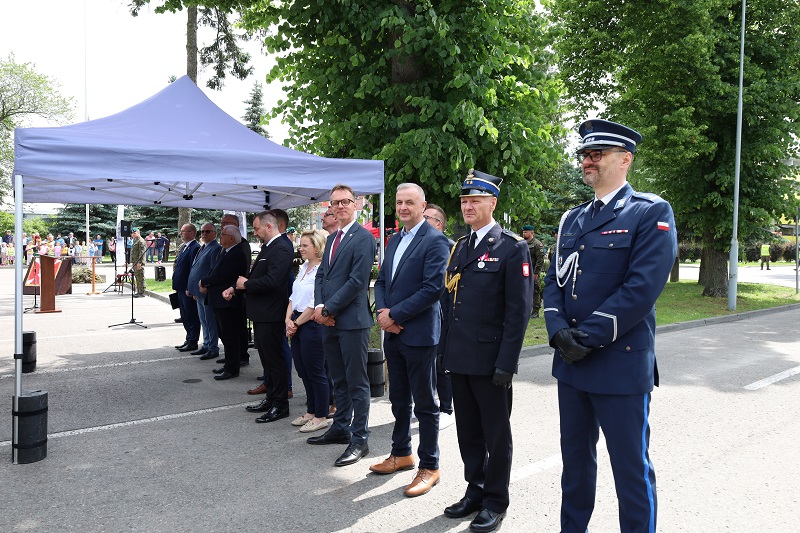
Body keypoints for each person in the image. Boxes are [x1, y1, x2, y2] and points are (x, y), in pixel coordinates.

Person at [544, 119, 677, 533]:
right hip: (573, 365)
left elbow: (641, 288)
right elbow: (554, 281)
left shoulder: (649, 212)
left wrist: (587, 336)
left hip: (619, 362)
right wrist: (557, 331)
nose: (588, 160)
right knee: (575, 467)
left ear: (625, 160)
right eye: (584, 154)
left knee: (631, 471)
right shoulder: (572, 218)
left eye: (597, 154)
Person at [440, 169, 533, 532]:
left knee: (496, 434)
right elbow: (450, 305)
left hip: (491, 361)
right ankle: (475, 490)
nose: (468, 206)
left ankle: (495, 501)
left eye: (475, 200)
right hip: (460, 357)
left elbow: (518, 312)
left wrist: (507, 363)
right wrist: (445, 353)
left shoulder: (511, 247)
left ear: (492, 203)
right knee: (468, 432)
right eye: (464, 201)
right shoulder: (460, 246)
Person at [371, 183, 450, 498]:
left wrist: (394, 315)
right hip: (394, 333)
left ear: (423, 206)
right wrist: (383, 313)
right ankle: (401, 453)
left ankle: (430, 465)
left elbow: (433, 289)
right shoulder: (394, 240)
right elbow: (381, 281)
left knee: (426, 404)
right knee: (399, 399)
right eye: (399, 202)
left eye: (409, 202)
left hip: (418, 334)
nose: (403, 207)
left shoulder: (435, 240)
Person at [308, 184, 375, 468]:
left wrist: (328, 309)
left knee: (357, 382)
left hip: (351, 322)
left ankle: (360, 439)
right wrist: (320, 307)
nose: (340, 206)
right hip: (330, 321)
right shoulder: (332, 237)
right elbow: (320, 276)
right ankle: (340, 428)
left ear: (355, 204)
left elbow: (357, 282)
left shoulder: (363, 238)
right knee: (338, 380)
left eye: (345, 201)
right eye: (335, 203)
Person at [235, 211, 293, 420]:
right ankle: (271, 398)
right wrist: (238, 287)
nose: (255, 232)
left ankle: (280, 404)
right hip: (262, 313)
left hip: (272, 313)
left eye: (257, 228)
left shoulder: (281, 248)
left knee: (274, 361)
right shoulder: (269, 246)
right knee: (267, 361)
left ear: (269, 226)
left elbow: (273, 280)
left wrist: (247, 284)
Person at [285, 229, 329, 433]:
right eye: (300, 245)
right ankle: (311, 411)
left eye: (305, 245)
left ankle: (321, 415)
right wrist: (288, 319)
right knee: (303, 370)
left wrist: (295, 324)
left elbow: (314, 303)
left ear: (317, 248)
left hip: (311, 324)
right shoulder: (303, 267)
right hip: (297, 321)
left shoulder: (322, 270)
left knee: (315, 371)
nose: (300, 248)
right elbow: (293, 297)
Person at [423, 203, 456, 430]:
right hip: (422, 313)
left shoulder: (451, 247)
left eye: (427, 217)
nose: (422, 220)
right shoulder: (418, 246)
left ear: (438, 224)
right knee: (426, 362)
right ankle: (429, 404)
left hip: (444, 312)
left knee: (442, 361)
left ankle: (446, 408)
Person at [200, 225, 248, 380]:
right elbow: (215, 271)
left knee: (229, 335)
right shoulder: (226, 252)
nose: (220, 236)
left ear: (231, 238)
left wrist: (204, 281)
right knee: (224, 334)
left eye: (223, 234)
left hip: (228, 302)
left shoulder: (236, 254)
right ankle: (229, 363)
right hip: (220, 300)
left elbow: (222, 276)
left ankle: (232, 368)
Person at [187, 223, 222, 361]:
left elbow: (214, 270)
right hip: (199, 291)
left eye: (207, 231)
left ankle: (213, 347)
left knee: (210, 321)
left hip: (206, 291)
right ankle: (206, 344)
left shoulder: (215, 248)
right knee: (203, 320)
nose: (204, 234)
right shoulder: (203, 246)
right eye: (202, 231)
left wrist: (207, 286)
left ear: (215, 233)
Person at [173, 224, 201, 352]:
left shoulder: (195, 247)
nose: (181, 233)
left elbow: (192, 269)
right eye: (181, 231)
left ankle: (193, 341)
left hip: (186, 288)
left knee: (191, 315)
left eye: (183, 231)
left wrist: (189, 287)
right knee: (184, 315)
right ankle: (188, 338)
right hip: (180, 287)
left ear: (192, 233)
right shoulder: (185, 247)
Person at [521, 225, 545, 318]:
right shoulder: (522, 243)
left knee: (535, 290)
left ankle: (535, 310)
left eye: (526, 232)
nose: (524, 233)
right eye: (523, 232)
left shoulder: (537, 244)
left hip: (532, 271)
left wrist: (536, 273)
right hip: (523, 271)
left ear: (532, 233)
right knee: (523, 290)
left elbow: (540, 259)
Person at [129, 228, 147, 296]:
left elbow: (142, 253)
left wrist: (140, 263)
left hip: (139, 262)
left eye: (134, 233)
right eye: (132, 233)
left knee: (140, 277)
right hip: (135, 261)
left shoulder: (141, 241)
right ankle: (139, 291)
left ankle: (142, 292)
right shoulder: (135, 240)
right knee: (137, 277)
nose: (133, 234)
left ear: (138, 233)